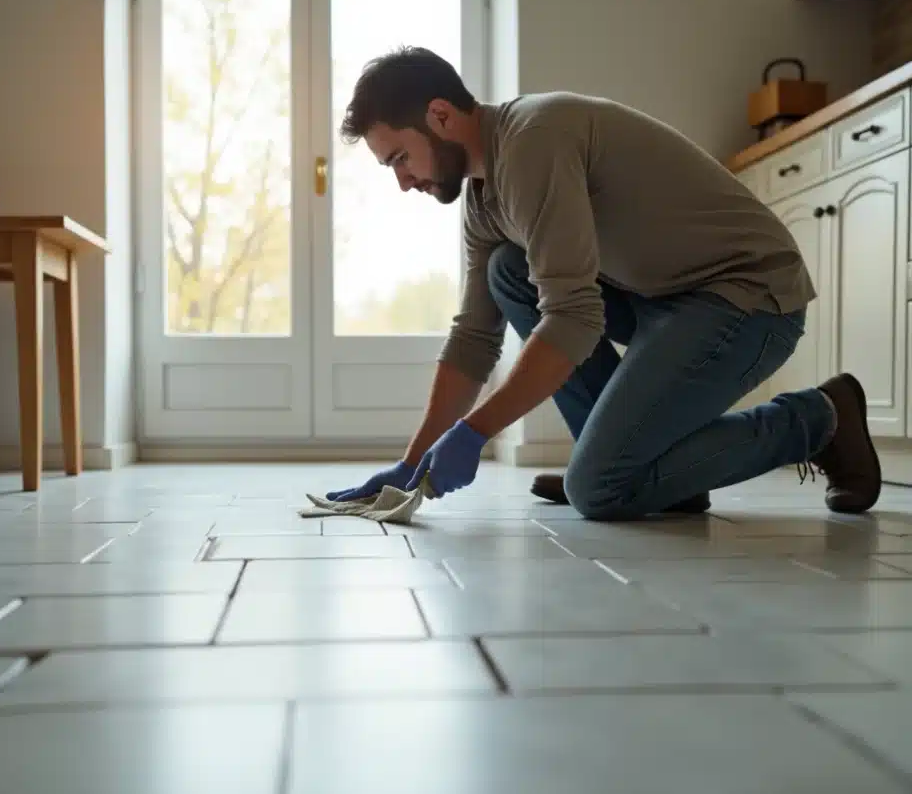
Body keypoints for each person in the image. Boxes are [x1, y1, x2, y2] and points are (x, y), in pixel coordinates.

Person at [325, 46, 882, 519]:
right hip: (662, 300)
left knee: (597, 488)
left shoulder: (531, 140)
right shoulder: (482, 199)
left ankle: (820, 417)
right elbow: (474, 337)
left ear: (441, 116)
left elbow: (574, 316)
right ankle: (650, 469)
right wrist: (411, 463)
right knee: (507, 273)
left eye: (399, 158)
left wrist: (473, 432)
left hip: (748, 296)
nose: (401, 182)